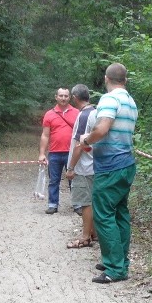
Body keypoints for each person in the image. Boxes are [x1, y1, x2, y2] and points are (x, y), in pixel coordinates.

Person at [78, 63, 138, 283]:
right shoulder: (130, 102)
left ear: (106, 78)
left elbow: (102, 129)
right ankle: (118, 260)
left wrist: (86, 139)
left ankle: (115, 268)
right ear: (125, 80)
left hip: (111, 166)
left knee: (103, 214)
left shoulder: (109, 99)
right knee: (119, 212)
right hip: (126, 164)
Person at [64, 84, 96, 249]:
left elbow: (79, 145)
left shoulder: (84, 116)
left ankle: (85, 237)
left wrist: (71, 168)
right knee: (92, 201)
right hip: (93, 165)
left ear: (75, 98)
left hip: (84, 167)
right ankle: (94, 233)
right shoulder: (94, 112)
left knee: (86, 202)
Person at [38, 87, 79, 214]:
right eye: (61, 95)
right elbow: (45, 135)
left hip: (72, 153)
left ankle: (77, 205)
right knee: (54, 180)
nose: (63, 98)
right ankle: (52, 204)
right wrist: (42, 154)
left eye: (66, 96)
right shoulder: (49, 114)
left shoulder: (77, 113)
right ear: (56, 97)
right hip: (54, 153)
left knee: (75, 180)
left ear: (70, 97)